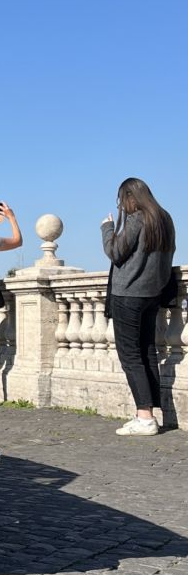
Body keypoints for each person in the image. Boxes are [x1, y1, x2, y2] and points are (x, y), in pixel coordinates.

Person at [102, 177, 175, 437]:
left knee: (131, 356)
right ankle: (147, 415)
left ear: (130, 197)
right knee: (147, 352)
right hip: (152, 293)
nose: (122, 205)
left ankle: (145, 417)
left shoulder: (138, 218)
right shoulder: (164, 219)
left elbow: (115, 252)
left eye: (122, 200)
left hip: (128, 294)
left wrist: (107, 228)